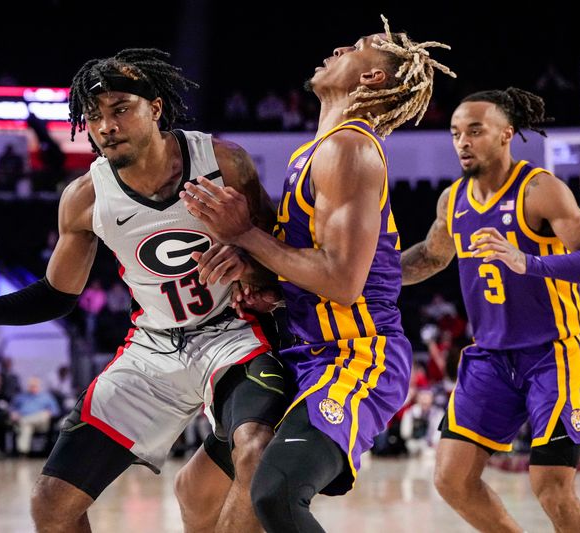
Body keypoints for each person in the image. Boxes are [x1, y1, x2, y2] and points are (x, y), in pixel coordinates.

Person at [0, 48, 288, 533]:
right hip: (152, 347)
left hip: (232, 335)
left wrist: (250, 257)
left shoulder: (224, 162)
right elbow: (57, 295)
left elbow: (285, 253)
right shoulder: (86, 196)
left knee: (256, 447)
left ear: (155, 108)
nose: (105, 125)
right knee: (51, 502)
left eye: (120, 108)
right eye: (94, 116)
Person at [180, 15, 455, 532]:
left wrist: (245, 234)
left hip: (357, 356)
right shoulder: (314, 152)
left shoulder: (349, 148)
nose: (336, 47)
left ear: (371, 79)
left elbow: (343, 282)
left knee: (277, 493)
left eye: (355, 47)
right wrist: (265, 278)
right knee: (196, 489)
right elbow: (337, 269)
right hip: (303, 348)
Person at [400, 87, 580, 532]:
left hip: (554, 353)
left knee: (551, 487)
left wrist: (528, 262)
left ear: (507, 134)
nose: (463, 142)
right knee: (452, 479)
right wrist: (367, 280)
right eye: (455, 133)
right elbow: (431, 258)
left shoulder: (539, 190)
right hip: (490, 357)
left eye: (475, 131)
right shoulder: (452, 201)